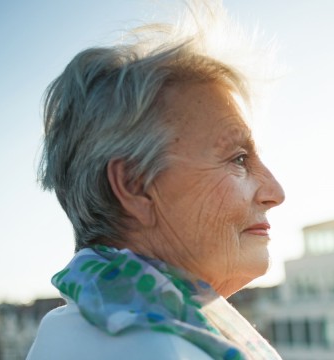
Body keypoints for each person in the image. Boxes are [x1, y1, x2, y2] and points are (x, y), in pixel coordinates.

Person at [27, 3, 285, 360]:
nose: (275, 192)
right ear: (135, 185)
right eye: (238, 159)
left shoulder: (72, 328)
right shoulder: (159, 348)